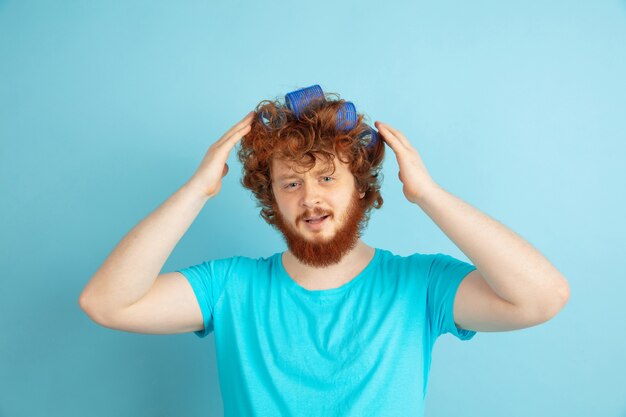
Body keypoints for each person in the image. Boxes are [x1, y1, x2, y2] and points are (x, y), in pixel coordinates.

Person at [79, 90, 570, 417]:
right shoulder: (229, 287)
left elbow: (541, 298)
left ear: (361, 189)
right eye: (290, 183)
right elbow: (106, 303)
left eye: (327, 177)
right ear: (272, 200)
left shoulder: (420, 285)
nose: (309, 196)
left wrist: (429, 196)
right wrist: (196, 191)